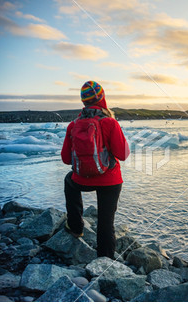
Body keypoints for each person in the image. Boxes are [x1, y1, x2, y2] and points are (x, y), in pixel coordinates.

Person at [61, 81, 129, 258]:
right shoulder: (110, 123)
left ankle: (76, 227)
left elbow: (66, 159)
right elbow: (123, 155)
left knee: (69, 180)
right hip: (110, 181)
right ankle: (104, 262)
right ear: (102, 98)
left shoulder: (73, 125)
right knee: (106, 223)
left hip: (82, 179)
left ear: (84, 102)